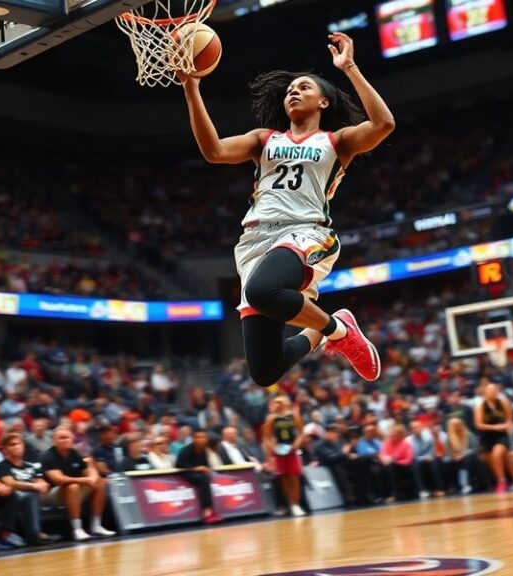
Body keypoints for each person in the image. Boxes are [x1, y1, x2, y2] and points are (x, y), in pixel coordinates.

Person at [180, 32, 394, 388]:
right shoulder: (265, 139)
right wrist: (192, 88)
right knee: (265, 371)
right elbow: (213, 151)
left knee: (265, 292)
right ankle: (332, 326)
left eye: (305, 87)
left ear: (324, 103)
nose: (293, 91)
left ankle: (338, 332)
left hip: (305, 231)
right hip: (254, 241)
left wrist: (350, 67)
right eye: (290, 89)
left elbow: (384, 125)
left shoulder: (335, 142)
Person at [40, 426, 116, 541]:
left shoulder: (73, 453)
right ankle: (77, 529)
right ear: (54, 441)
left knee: (100, 483)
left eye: (68, 438)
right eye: (62, 438)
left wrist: (93, 478)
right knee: (73, 486)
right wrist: (84, 480)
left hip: (74, 488)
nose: (66, 440)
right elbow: (58, 479)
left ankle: (96, 525)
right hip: (52, 493)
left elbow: (88, 470)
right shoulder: (48, 456)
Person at [0, 433, 53, 546]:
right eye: (12, 445)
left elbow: (42, 483)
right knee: (31, 495)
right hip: (14, 499)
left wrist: (40, 486)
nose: (16, 447)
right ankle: (34, 533)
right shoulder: (3, 465)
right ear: (5, 450)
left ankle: (34, 533)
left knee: (34, 495)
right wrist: (33, 486)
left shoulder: (31, 466)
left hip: (35, 497)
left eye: (18, 444)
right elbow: (10, 483)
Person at [263, 395, 306, 516]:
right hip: (279, 451)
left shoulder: (293, 416)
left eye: (279, 402)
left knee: (294, 477)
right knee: (283, 478)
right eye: (275, 402)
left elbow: (302, 432)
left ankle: (296, 503)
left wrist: (297, 444)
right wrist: (273, 447)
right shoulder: (271, 418)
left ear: (285, 403)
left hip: (292, 450)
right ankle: (291, 504)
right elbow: (266, 437)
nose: (276, 404)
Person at [174, 429, 222, 524]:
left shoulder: (204, 450)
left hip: (198, 474)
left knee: (207, 478)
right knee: (203, 479)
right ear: (193, 438)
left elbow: (205, 464)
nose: (201, 439)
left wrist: (207, 470)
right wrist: (196, 468)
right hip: (185, 472)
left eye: (203, 437)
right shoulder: (186, 450)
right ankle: (206, 511)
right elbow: (179, 464)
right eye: (198, 437)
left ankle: (211, 510)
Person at [474, 383, 513, 493]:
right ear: (485, 393)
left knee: (497, 454)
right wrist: (496, 427)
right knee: (492, 462)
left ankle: (501, 481)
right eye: (490, 391)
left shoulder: (504, 403)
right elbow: (479, 425)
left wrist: (507, 426)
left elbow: (510, 420)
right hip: (487, 436)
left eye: (494, 390)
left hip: (501, 436)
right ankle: (506, 479)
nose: (492, 392)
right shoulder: (480, 406)